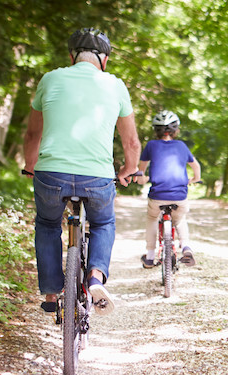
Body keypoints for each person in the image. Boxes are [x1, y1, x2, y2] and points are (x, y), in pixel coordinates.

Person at [23, 28, 141, 316]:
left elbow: (32, 134)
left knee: (49, 225)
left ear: (71, 56)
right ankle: (96, 278)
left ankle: (51, 293)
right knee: (102, 224)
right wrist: (129, 169)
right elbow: (132, 142)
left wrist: (30, 167)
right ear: (104, 59)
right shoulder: (115, 85)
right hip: (97, 177)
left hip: (51, 174)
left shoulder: (50, 79)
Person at [136, 110, 202, 268]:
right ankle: (186, 248)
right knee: (179, 219)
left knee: (152, 218)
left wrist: (141, 180)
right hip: (179, 195)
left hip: (158, 195)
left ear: (156, 130)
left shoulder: (151, 145)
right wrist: (194, 179)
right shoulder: (181, 145)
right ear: (176, 130)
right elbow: (196, 167)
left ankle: (150, 256)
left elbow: (141, 171)